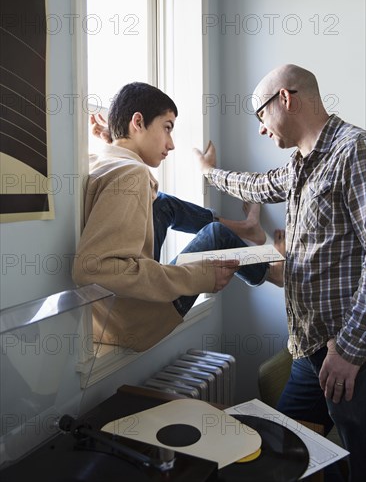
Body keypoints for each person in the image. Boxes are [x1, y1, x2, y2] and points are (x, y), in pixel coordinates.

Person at [195, 64, 366, 481]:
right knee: (277, 445)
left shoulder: (354, 151)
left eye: (260, 115)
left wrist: (350, 349)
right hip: (311, 351)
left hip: (347, 354)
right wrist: (206, 173)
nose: (259, 129)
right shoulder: (300, 165)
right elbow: (256, 185)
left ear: (285, 99)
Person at [73, 82, 282, 353]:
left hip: (108, 319)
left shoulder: (100, 162)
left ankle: (247, 227)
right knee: (216, 237)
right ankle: (271, 271)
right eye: (167, 127)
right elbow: (93, 268)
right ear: (138, 121)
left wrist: (114, 141)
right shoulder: (131, 174)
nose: (171, 144)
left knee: (163, 204)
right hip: (137, 320)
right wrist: (198, 277)